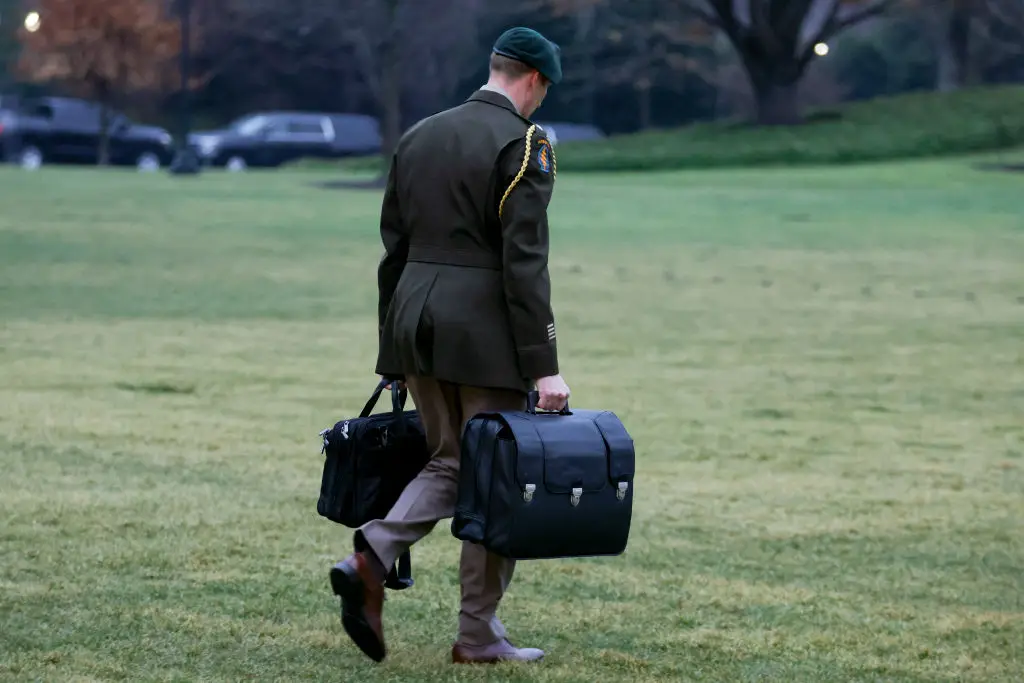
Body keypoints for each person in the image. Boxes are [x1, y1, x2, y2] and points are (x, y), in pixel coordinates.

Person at [329, 26, 571, 665]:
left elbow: (393, 254)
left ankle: (374, 560)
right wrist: (545, 368)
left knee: (451, 463)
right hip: (482, 336)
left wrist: (393, 353)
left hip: (415, 322)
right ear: (534, 80)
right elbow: (524, 268)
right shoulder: (524, 147)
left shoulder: (419, 136)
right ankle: (471, 629)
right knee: (495, 479)